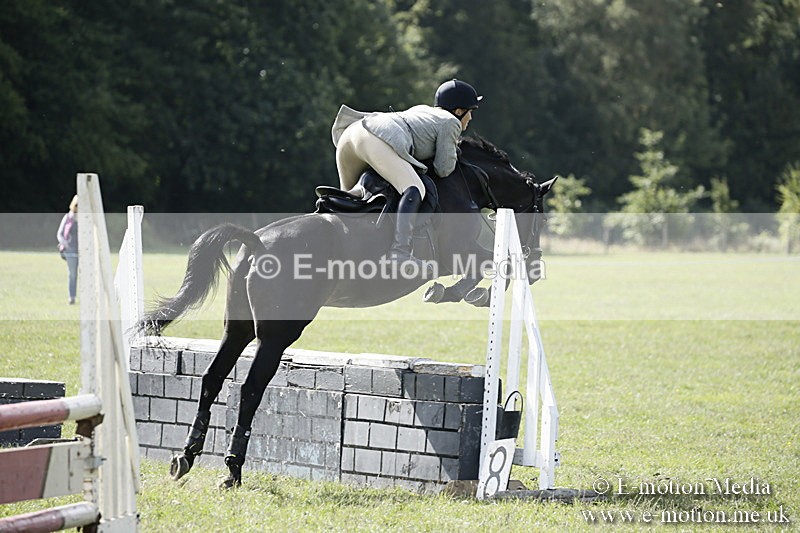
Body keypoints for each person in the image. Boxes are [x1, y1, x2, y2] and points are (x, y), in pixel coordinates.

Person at [331, 79, 482, 271]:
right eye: (470, 112)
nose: (470, 118)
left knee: (350, 200)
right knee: (414, 188)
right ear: (459, 111)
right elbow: (443, 169)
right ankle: (400, 253)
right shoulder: (451, 122)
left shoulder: (422, 110)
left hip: (350, 135)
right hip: (374, 137)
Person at [57, 195, 79, 304]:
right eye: (77, 205)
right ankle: (72, 297)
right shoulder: (68, 217)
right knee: (73, 274)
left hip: (84, 251)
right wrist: (65, 244)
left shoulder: (87, 218)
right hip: (70, 251)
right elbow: (59, 234)